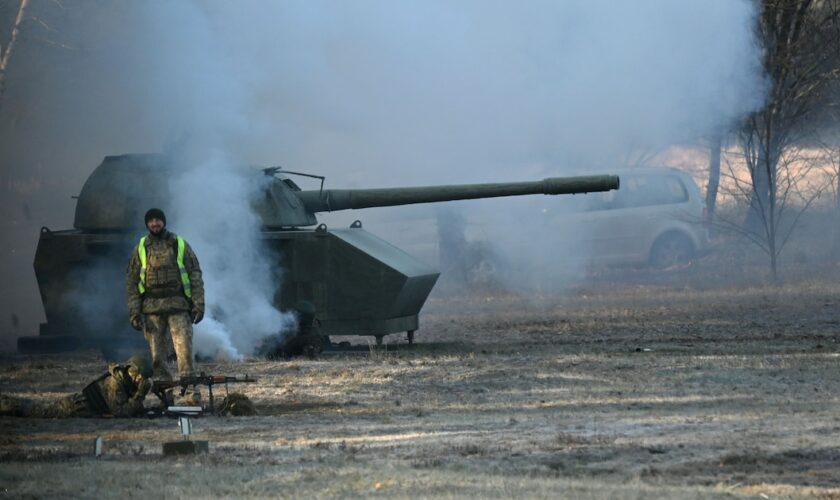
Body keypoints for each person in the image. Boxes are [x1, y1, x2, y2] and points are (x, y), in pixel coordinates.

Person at [125, 208, 205, 404]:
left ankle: (190, 395)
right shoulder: (141, 248)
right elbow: (132, 282)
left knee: (184, 353)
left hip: (178, 306)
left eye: (157, 220)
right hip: (151, 310)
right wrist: (134, 312)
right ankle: (165, 397)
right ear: (146, 224)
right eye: (151, 221)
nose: (155, 224)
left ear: (164, 222)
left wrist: (198, 304)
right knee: (157, 358)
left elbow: (195, 274)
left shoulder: (178, 244)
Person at [0, 355, 154, 418]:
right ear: (132, 372)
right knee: (38, 411)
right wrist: (140, 394)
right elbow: (121, 413)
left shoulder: (124, 380)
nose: (141, 381)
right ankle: (6, 403)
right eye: (140, 377)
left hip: (82, 406)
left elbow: (131, 407)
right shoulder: (116, 383)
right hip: (75, 407)